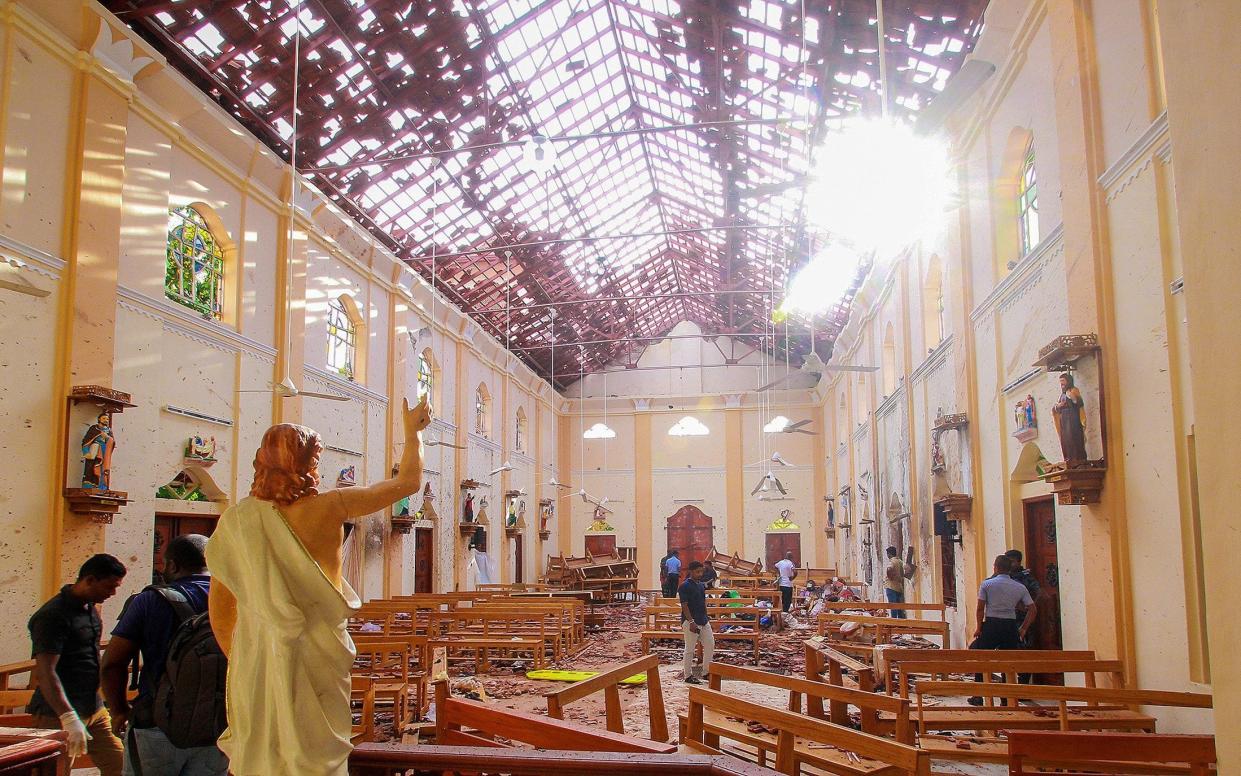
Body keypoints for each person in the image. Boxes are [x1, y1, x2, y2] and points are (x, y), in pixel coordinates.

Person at [207, 396, 431, 775]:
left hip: (259, 655)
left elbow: (221, 609)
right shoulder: (331, 506)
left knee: (262, 752)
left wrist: (250, 658)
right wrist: (413, 435)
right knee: (316, 754)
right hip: (318, 650)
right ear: (310, 463)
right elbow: (407, 482)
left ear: (261, 461)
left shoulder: (238, 521)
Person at [102, 535, 227, 776]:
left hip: (156, 725)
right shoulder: (234, 599)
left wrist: (119, 710)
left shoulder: (149, 601)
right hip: (215, 727)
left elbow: (112, 663)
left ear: (172, 565)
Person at [28, 554, 127, 775]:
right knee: (55, 771)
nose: (113, 593)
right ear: (90, 580)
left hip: (93, 707)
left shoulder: (89, 607)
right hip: (58, 711)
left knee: (120, 766)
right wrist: (68, 717)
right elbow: (46, 672)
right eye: (109, 586)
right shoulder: (52, 616)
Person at [968, 555, 1037, 705]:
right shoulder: (1019, 587)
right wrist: (1023, 628)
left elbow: (980, 609)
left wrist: (979, 628)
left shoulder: (987, 584)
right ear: (1010, 569)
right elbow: (1032, 609)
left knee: (980, 656)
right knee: (1008, 662)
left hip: (992, 624)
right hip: (1010, 626)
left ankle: (979, 695)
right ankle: (1006, 698)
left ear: (996, 567)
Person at [678, 561, 713, 684]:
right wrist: (691, 621)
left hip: (703, 620)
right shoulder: (684, 586)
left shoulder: (701, 585)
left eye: (701, 571)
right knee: (690, 649)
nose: (700, 574)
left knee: (710, 644)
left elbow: (703, 602)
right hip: (690, 621)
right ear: (691, 571)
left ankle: (706, 672)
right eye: (697, 572)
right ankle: (688, 675)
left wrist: (707, 617)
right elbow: (684, 605)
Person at [1052, 372, 1088, 464]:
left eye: (1063, 381)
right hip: (1064, 420)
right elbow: (1055, 408)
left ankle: (1078, 459)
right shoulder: (1062, 395)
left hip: (1073, 419)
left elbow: (1079, 403)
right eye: (1060, 382)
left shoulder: (1073, 390)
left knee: (1074, 438)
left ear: (1068, 381)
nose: (1061, 384)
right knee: (1066, 439)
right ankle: (1068, 458)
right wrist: (1058, 406)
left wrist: (1072, 397)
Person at [883, 546, 914, 618]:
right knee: (899, 606)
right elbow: (908, 570)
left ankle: (894, 622)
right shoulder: (900, 561)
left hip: (891, 586)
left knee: (893, 606)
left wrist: (891, 578)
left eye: (887, 554)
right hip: (899, 587)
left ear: (889, 554)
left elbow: (889, 569)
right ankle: (901, 622)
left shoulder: (892, 561)